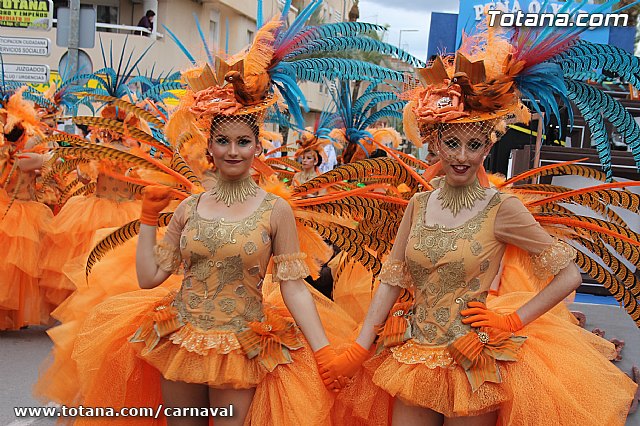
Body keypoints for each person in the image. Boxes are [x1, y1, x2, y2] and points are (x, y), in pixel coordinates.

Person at [329, 30, 637, 425]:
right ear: (434, 143)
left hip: (473, 357)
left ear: (488, 147)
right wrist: (359, 345)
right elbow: (391, 277)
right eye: (451, 143)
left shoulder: (501, 207)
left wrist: (510, 322)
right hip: (412, 354)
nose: (461, 156)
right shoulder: (419, 204)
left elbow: (568, 275)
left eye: (473, 145)